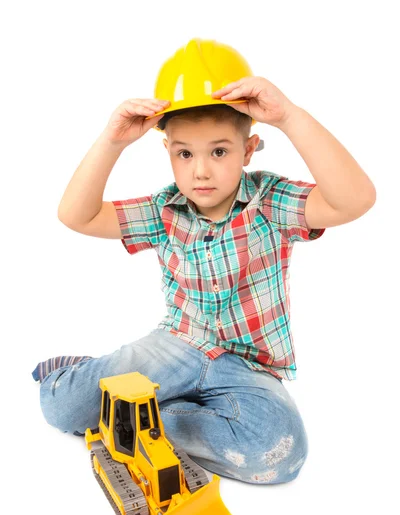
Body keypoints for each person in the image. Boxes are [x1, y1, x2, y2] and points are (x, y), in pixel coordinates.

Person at [32, 39, 376, 485]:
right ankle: (78, 371)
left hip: (246, 366)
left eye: (219, 151)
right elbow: (75, 216)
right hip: (175, 345)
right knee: (60, 408)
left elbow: (356, 200)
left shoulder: (271, 201)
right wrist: (111, 142)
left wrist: (289, 116)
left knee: (279, 453)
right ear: (169, 153)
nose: (200, 171)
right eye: (185, 153)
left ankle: (154, 419)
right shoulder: (163, 209)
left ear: (248, 150)